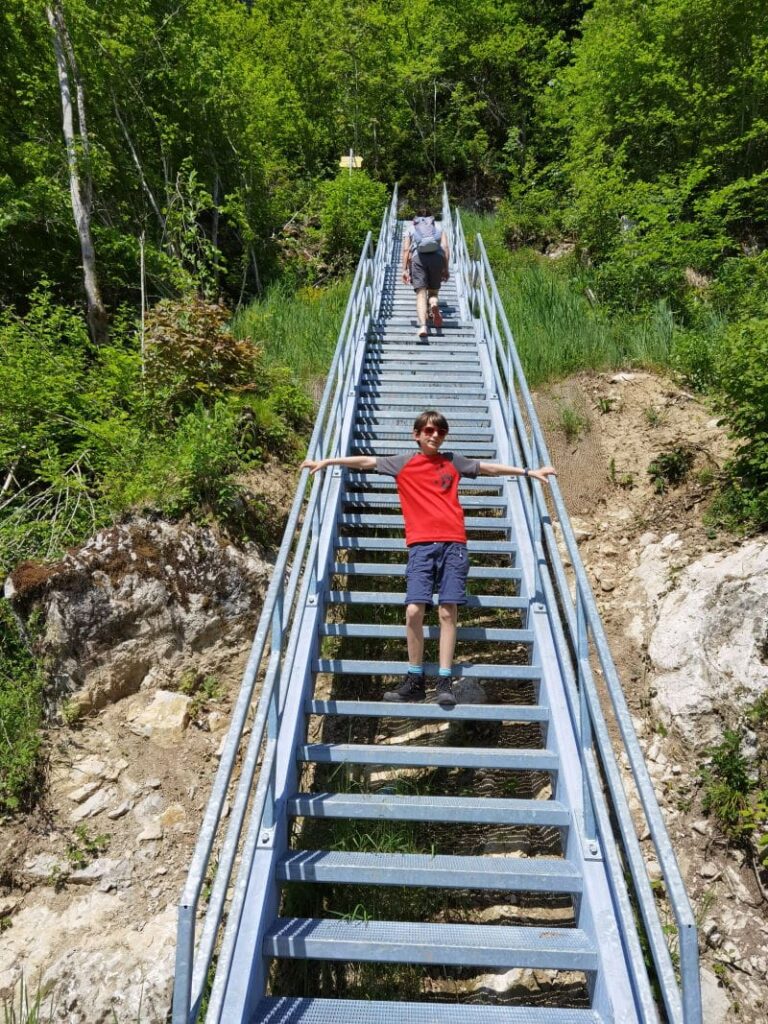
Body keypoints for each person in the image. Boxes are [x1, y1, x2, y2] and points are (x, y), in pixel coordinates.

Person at [301, 410, 557, 706]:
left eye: (440, 432)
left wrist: (528, 472)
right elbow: (365, 461)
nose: (434, 435)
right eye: (429, 430)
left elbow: (490, 469)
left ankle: (444, 680)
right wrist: (328, 462)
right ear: (417, 434)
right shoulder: (403, 462)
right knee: (413, 611)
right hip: (421, 547)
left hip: (454, 545)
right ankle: (414, 679)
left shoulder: (452, 461)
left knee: (447, 612)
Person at [401, 208, 450, 341]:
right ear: (431, 217)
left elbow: (406, 250)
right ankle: (433, 304)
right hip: (437, 259)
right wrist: (446, 268)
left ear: (416, 218)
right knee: (433, 292)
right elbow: (445, 248)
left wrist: (404, 269)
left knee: (421, 294)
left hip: (418, 259)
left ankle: (423, 326)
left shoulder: (412, 228)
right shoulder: (438, 226)